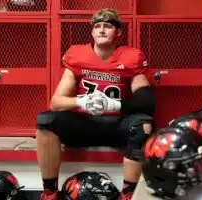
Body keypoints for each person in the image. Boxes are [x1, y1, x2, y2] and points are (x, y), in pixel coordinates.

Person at [35, 8, 155, 200]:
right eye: (97, 26)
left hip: (117, 126)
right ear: (91, 32)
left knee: (144, 123)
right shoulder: (77, 55)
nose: (101, 30)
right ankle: (50, 192)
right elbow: (56, 102)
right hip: (85, 124)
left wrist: (113, 105)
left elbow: (146, 102)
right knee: (45, 120)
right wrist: (81, 101)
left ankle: (128, 193)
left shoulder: (131, 57)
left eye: (107, 26)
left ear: (118, 32)